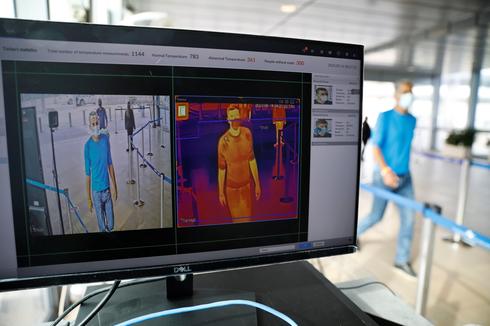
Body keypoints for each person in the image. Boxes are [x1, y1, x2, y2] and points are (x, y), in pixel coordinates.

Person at [357, 80, 417, 277]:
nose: (409, 95)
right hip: (384, 175)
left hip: (405, 177)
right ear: (397, 95)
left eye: (411, 92)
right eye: (405, 92)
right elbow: (376, 147)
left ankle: (401, 260)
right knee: (376, 216)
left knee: (409, 219)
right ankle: (353, 236)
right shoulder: (386, 117)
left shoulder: (412, 120)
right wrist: (385, 171)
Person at [218, 105, 261, 222]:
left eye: (236, 116)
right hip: (232, 190)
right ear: (228, 119)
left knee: (247, 221)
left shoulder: (247, 134)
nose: (235, 118)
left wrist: (257, 184)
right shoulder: (223, 142)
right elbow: (222, 169)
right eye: (232, 116)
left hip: (247, 186)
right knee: (237, 222)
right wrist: (221, 193)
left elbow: (252, 160)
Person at [85, 111, 118, 232]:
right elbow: (88, 175)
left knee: (111, 225)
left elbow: (110, 164)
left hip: (107, 190)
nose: (95, 125)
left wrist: (115, 186)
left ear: (100, 122)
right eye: (93, 123)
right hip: (96, 193)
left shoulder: (105, 140)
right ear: (89, 126)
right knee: (102, 228)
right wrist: (88, 198)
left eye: (97, 122)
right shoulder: (87, 146)